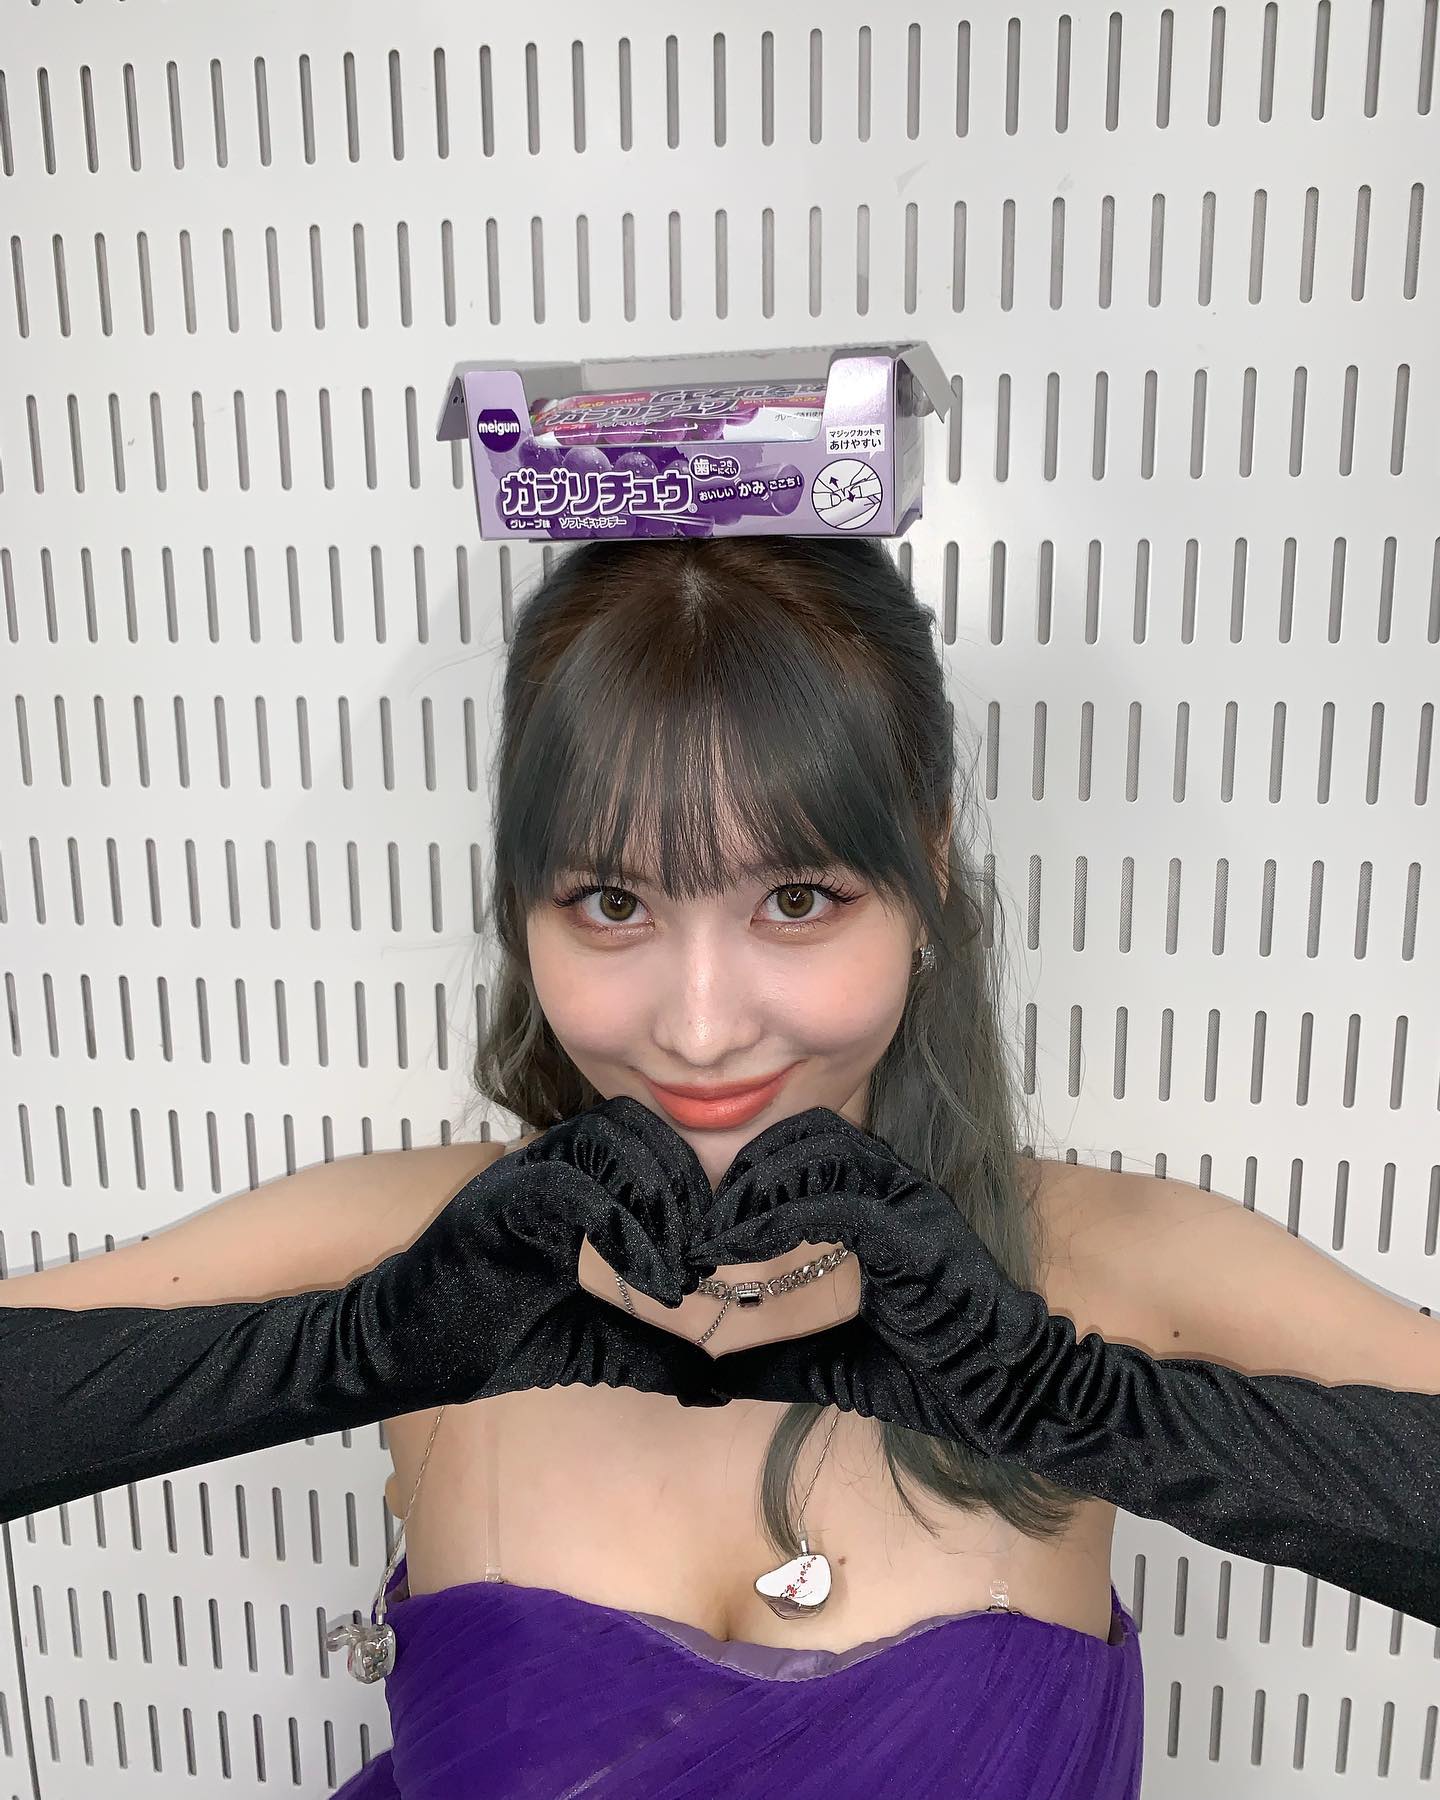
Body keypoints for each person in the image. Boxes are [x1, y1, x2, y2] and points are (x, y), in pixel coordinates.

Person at [5, 537, 1434, 1795]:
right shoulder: (409, 1242)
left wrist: (1073, 1402)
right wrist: (354, 1346)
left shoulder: (1128, 1268)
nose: (699, 1029)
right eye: (610, 900)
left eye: (797, 898)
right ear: (523, 905)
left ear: (929, 868)